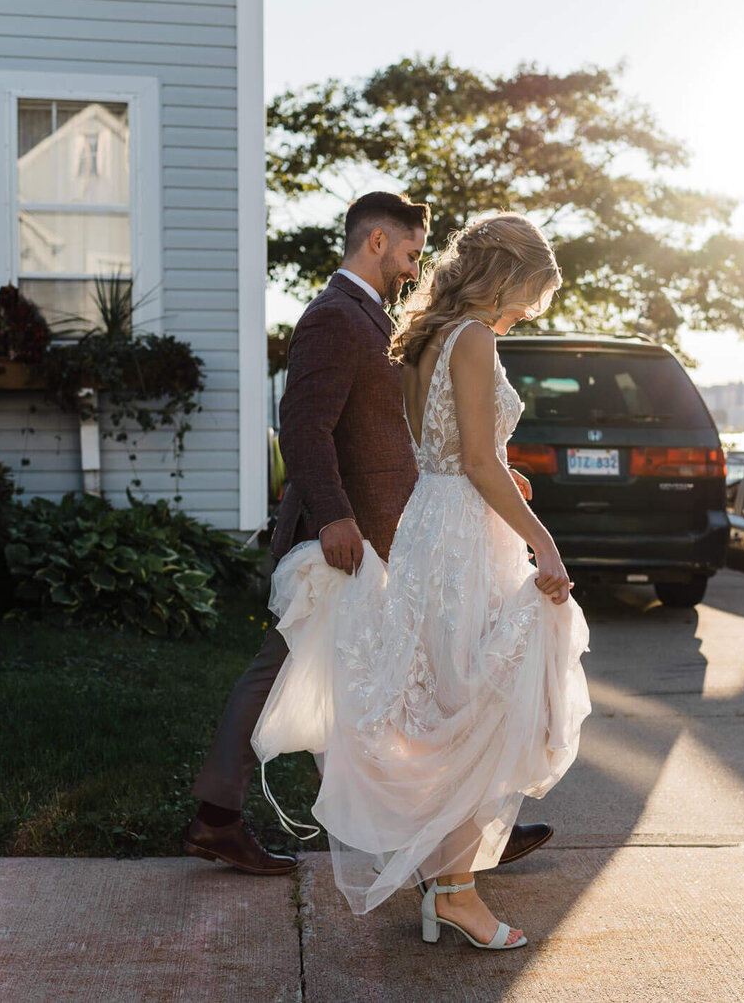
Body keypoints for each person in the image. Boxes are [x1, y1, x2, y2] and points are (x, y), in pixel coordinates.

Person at [182, 193, 556, 875]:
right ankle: (219, 816)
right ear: (377, 242)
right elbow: (303, 425)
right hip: (342, 540)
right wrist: (332, 515)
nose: (417, 270)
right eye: (412, 254)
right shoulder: (332, 317)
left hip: (390, 535)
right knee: (288, 673)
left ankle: (451, 827)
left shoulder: (376, 319)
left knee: (403, 683)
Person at [250, 212, 591, 950]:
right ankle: (457, 892)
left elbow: (452, 455)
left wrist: (505, 480)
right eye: (533, 289)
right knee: (480, 705)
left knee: (451, 701)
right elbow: (473, 459)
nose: (531, 305)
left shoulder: (424, 337)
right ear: (509, 273)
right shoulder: (471, 338)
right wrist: (546, 544)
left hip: (433, 523)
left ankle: (447, 885)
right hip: (464, 538)